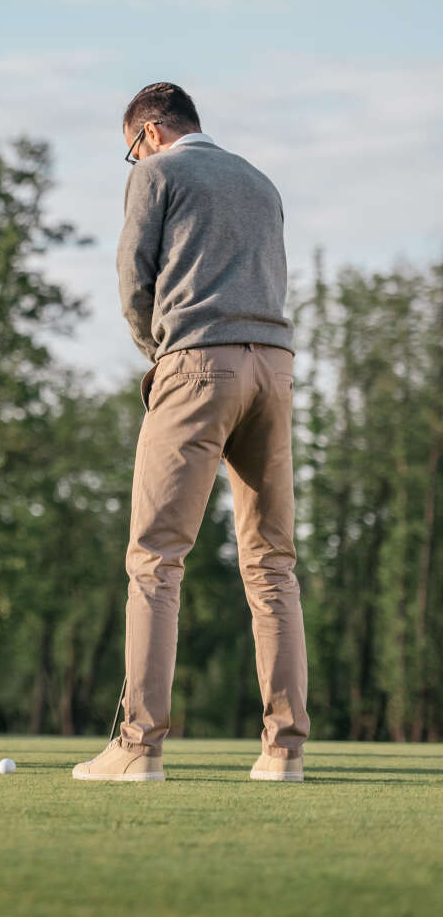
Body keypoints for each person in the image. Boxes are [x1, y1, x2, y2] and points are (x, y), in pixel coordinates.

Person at [73, 82, 309, 783]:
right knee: (272, 564)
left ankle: (139, 747)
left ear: (147, 133)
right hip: (274, 369)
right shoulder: (260, 182)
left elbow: (133, 279)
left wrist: (161, 352)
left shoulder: (157, 172)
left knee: (156, 560)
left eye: (129, 151)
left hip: (197, 364)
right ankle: (284, 751)